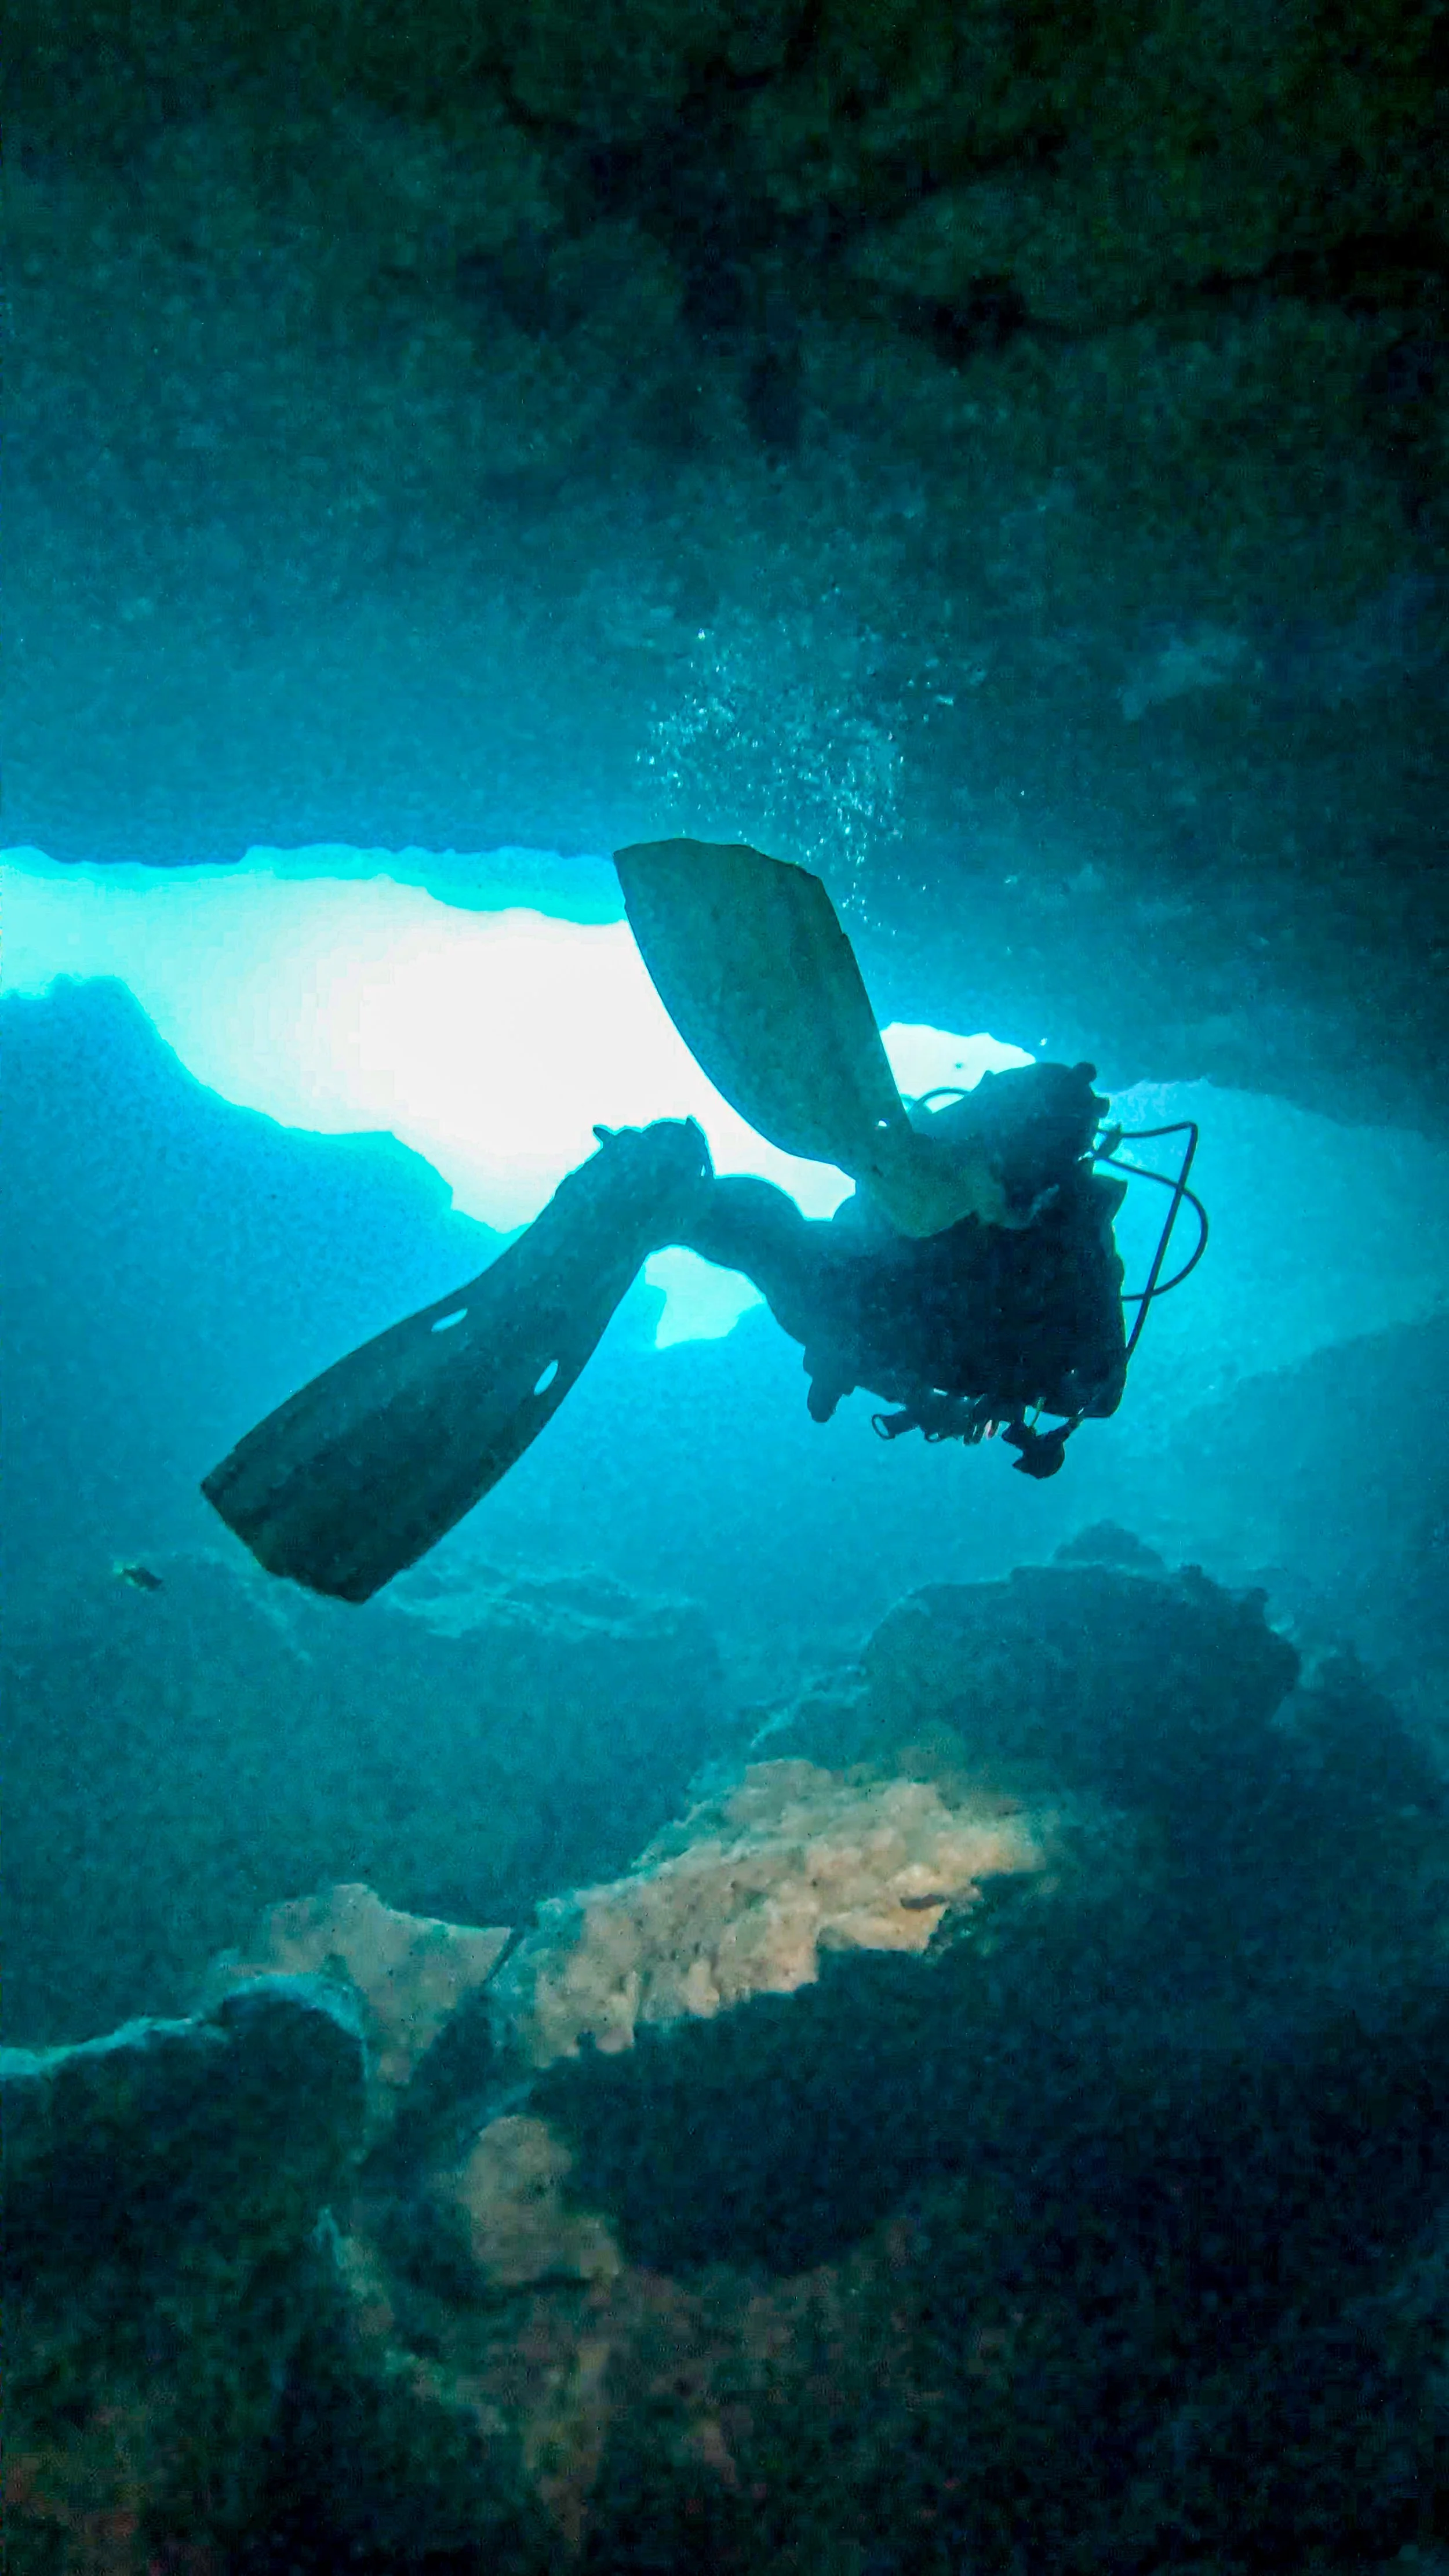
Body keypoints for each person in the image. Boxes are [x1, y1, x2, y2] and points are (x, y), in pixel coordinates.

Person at [203, 843, 1130, 1602]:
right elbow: (883, 1209)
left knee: (757, 1224)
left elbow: (1048, 1344)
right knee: (755, 1222)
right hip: (875, 1317)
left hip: (891, 1325)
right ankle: (666, 1200)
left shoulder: (1035, 1230)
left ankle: (668, 1199)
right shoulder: (986, 1189)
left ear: (1028, 1136)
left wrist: (990, 1228)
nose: (970, 1098)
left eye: (992, 1099)